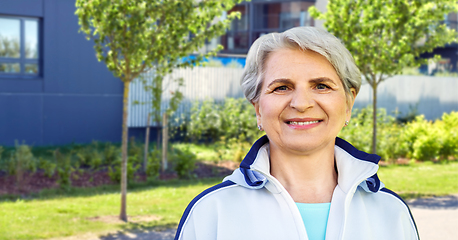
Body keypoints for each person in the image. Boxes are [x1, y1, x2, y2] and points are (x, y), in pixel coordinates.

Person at [174, 27, 419, 240]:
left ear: (348, 103)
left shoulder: (391, 212)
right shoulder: (210, 213)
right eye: (282, 87)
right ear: (258, 108)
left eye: (321, 86)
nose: (301, 103)